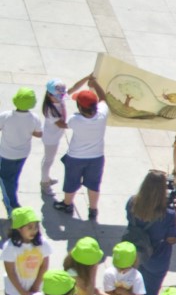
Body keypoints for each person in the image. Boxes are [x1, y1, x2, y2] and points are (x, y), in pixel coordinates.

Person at [125, 170, 176, 295]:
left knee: (130, 289)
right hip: (157, 259)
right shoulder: (168, 214)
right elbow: (172, 238)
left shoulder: (132, 202)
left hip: (134, 254)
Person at [54, 76, 109, 221]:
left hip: (75, 158)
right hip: (96, 158)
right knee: (94, 185)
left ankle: (67, 204)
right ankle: (93, 210)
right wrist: (95, 84)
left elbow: (64, 125)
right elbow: (104, 99)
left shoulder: (74, 119)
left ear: (79, 107)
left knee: (71, 182)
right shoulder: (102, 114)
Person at [0, 86, 42, 213]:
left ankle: (12, 206)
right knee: (13, 177)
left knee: (5, 179)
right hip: (22, 154)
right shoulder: (34, 118)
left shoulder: (6, 116)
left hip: (6, 155)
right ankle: (10, 197)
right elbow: (39, 134)